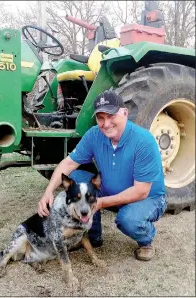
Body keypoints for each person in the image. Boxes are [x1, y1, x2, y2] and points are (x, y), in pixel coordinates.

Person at [38, 90, 167, 261]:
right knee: (76, 178)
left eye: (111, 116)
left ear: (125, 113)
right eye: (100, 118)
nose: (106, 124)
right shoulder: (94, 134)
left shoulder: (144, 141)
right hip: (109, 188)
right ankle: (93, 236)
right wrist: (48, 192)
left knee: (128, 219)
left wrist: (100, 202)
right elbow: (68, 164)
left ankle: (146, 239)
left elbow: (141, 191)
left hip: (148, 197)